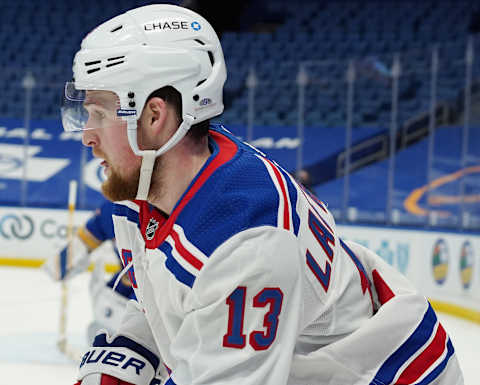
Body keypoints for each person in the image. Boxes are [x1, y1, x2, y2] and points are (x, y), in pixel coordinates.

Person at [61, 4, 463, 385]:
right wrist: (117, 365)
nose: (86, 135)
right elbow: (163, 300)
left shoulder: (246, 236)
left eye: (99, 112)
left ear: (154, 116)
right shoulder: (148, 184)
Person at [43, 199, 135, 343]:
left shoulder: (160, 206)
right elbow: (88, 237)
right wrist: (62, 264)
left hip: (162, 284)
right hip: (130, 278)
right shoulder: (111, 209)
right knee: (109, 300)